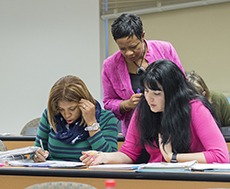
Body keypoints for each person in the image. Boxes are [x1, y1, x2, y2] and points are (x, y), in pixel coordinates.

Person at [80, 59, 229, 165]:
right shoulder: (143, 109)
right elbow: (128, 153)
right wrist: (104, 157)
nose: (149, 98)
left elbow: (221, 156)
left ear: (173, 93)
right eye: (146, 91)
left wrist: (174, 157)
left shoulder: (195, 108)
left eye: (157, 93)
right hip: (156, 177)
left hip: (193, 180)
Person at [102, 13, 185, 137]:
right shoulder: (110, 65)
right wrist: (126, 104)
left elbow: (182, 85)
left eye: (133, 47)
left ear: (142, 36)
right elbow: (108, 102)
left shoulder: (165, 49)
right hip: (136, 134)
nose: (129, 53)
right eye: (122, 49)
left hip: (171, 127)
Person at [33, 75, 118, 162]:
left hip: (88, 174)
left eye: (72, 109)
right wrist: (38, 155)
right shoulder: (50, 115)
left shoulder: (106, 118)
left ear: (84, 102)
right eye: (61, 109)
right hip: (54, 173)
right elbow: (36, 151)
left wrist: (92, 123)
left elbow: (109, 158)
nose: (66, 115)